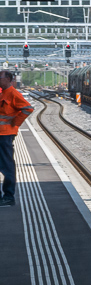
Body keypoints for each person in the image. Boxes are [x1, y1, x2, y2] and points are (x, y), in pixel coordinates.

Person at [0, 70, 33, 207]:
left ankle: (9, 196)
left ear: (8, 79)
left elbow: (28, 109)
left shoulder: (13, 93)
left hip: (6, 134)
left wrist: (16, 122)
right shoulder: (3, 93)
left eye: (0, 77)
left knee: (7, 166)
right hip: (1, 134)